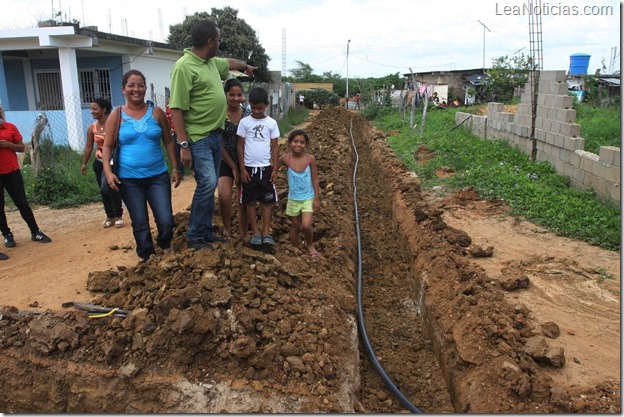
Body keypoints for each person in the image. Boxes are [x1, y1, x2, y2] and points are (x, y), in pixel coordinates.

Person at [169, 19, 256, 251]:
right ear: (210, 41)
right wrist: (183, 144)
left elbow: (227, 62)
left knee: (208, 185)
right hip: (198, 138)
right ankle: (195, 235)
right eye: (218, 40)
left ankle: (206, 230)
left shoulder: (209, 62)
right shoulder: (184, 67)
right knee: (207, 182)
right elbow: (176, 108)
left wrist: (244, 66)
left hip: (214, 136)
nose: (219, 43)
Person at [102, 69, 182, 262]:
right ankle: (147, 256)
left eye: (140, 85)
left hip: (157, 176)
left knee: (165, 219)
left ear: (145, 88)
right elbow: (107, 146)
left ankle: (164, 243)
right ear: (123, 89)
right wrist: (108, 172)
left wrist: (175, 167)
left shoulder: (157, 113)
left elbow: (169, 141)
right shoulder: (117, 115)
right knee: (140, 222)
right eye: (131, 85)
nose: (136, 89)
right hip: (128, 179)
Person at [0, 106, 52, 249]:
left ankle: (35, 231)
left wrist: (7, 144)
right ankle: (7, 235)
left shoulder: (10, 127)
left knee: (22, 202)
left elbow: (21, 148)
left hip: (11, 171)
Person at [236, 87, 280, 247]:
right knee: (250, 202)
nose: (256, 111)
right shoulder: (244, 122)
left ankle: (266, 232)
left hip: (266, 169)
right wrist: (242, 169)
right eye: (253, 108)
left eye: (260, 108)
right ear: (249, 104)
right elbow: (240, 146)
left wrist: (274, 169)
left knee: (267, 202)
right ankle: (255, 232)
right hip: (248, 169)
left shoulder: (271, 123)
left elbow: (275, 147)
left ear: (267, 105)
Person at [81, 98, 124, 229]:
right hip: (99, 162)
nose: (92, 112)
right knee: (103, 189)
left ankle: (118, 215)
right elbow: (89, 147)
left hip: (114, 162)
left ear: (104, 110)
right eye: (91, 109)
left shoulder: (116, 125)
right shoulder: (92, 128)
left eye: (95, 109)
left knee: (113, 188)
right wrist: (84, 163)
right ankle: (109, 216)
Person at [277, 129, 320, 256]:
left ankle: (310, 245)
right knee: (295, 226)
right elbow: (273, 169)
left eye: (302, 142)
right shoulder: (285, 159)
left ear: (306, 144)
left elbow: (315, 178)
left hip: (308, 197)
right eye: (295, 141)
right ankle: (295, 249)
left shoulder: (310, 159)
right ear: (290, 143)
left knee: (306, 226)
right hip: (293, 199)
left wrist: (316, 198)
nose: (298, 145)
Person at [218, 78, 250, 242]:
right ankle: (226, 229)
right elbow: (220, 144)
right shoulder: (219, 115)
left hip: (244, 162)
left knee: (242, 199)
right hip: (225, 161)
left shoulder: (247, 115)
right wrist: (233, 167)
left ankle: (244, 233)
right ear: (225, 94)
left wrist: (241, 167)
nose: (235, 98)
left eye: (239, 95)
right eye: (232, 95)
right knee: (224, 196)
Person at [165, 104, 184, 180]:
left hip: (183, 133)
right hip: (175, 133)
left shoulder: (181, 105)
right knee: (177, 153)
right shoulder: (168, 107)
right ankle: (180, 172)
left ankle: (194, 169)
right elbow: (168, 121)